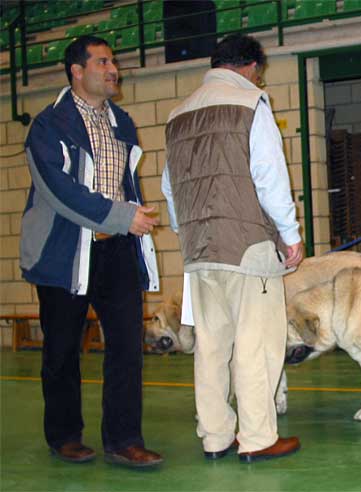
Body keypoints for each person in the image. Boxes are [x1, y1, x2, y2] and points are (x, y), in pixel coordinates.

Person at [20, 36, 163, 467]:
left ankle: (123, 439)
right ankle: (64, 435)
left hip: (116, 251)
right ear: (77, 71)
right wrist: (122, 216)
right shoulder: (48, 126)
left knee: (126, 347)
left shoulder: (122, 122)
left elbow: (125, 185)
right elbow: (62, 192)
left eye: (113, 60)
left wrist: (130, 224)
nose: (112, 68)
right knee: (62, 349)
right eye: (102, 61)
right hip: (65, 252)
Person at [161, 34, 303, 463]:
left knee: (210, 345)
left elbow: (171, 189)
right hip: (247, 247)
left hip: (198, 250)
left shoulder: (177, 114)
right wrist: (291, 234)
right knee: (257, 343)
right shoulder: (250, 103)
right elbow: (268, 175)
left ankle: (215, 436)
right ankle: (258, 438)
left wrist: (186, 230)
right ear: (251, 68)